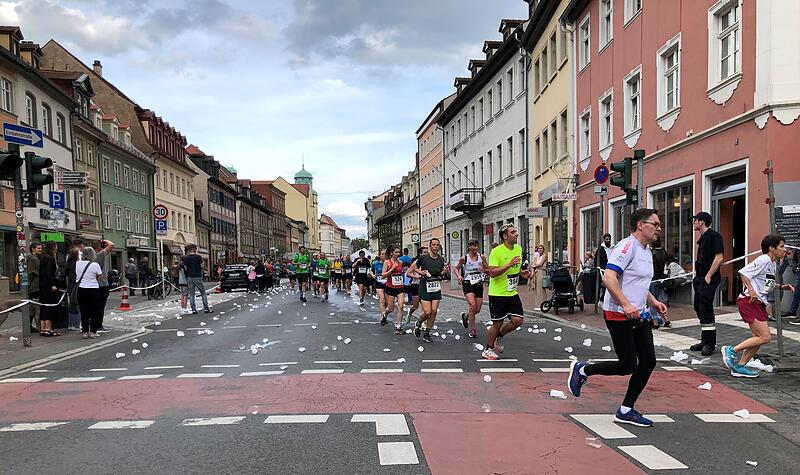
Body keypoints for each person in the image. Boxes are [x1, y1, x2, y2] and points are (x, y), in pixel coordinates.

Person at [567, 208, 668, 428]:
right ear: (641, 225)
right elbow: (609, 278)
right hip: (618, 313)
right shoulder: (626, 247)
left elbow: (638, 284)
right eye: (655, 224)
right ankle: (583, 370)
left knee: (649, 361)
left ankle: (626, 409)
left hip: (638, 313)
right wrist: (625, 303)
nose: (659, 229)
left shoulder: (646, 251)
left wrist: (654, 302)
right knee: (628, 364)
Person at [722, 235, 794, 378]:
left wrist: (782, 286)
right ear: (771, 249)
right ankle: (731, 350)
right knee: (765, 337)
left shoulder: (772, 263)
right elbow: (743, 272)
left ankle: (739, 367)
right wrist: (752, 291)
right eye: (781, 246)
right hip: (749, 301)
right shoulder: (764, 259)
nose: (784, 249)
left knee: (757, 337)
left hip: (758, 302)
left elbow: (766, 284)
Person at [481, 225, 530, 359]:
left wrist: (522, 273)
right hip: (497, 293)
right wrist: (508, 264)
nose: (517, 234)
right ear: (505, 236)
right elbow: (492, 273)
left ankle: (498, 336)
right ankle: (488, 349)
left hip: (512, 292)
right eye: (513, 232)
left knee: (518, 320)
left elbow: (516, 267)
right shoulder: (496, 252)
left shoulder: (518, 249)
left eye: (516, 232)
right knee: (497, 323)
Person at [690, 211, 725, 356]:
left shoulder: (714, 236)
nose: (693, 222)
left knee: (706, 308)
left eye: (695, 220)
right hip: (699, 278)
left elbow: (719, 257)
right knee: (698, 306)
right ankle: (705, 340)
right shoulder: (703, 238)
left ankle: (710, 343)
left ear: (701, 222)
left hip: (708, 278)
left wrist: (709, 276)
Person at [409, 238, 449, 343]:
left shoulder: (441, 259)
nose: (435, 247)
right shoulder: (423, 258)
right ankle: (419, 323)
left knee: (434, 311)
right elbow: (414, 268)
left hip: (435, 286)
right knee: (427, 311)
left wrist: (444, 271)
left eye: (437, 245)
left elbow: (440, 272)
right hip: (424, 285)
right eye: (433, 245)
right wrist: (421, 273)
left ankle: (427, 333)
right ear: (430, 246)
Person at [455, 239, 487, 339]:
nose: (476, 248)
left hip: (478, 283)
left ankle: (466, 316)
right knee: (472, 307)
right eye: (474, 246)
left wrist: (484, 270)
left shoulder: (481, 257)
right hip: (468, 283)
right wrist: (459, 276)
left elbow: (487, 267)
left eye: (477, 246)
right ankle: (473, 330)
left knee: (477, 309)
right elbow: (456, 268)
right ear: (469, 247)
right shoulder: (464, 258)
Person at [75, 247, 104, 339]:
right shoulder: (95, 265)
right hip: (93, 289)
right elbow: (100, 278)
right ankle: (93, 331)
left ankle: (85, 331)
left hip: (81, 289)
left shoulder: (77, 263)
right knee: (94, 311)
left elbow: (77, 275)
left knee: (84, 311)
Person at [38, 241, 61, 337]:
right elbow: (49, 274)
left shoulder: (42, 258)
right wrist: (53, 284)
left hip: (42, 286)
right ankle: (48, 329)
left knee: (43, 306)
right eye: (55, 246)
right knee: (50, 306)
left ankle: (43, 328)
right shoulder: (51, 259)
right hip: (49, 287)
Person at [382, 245, 406, 335]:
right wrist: (392, 268)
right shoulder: (387, 262)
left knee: (401, 306)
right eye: (396, 252)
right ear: (391, 253)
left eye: (399, 252)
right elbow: (383, 275)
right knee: (391, 308)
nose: (398, 254)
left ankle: (398, 326)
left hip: (400, 287)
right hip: (390, 287)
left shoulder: (400, 262)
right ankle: (385, 313)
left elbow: (401, 273)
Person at [91, 239, 114, 331]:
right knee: (100, 306)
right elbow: (111, 245)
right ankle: (98, 324)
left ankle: (92, 324)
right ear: (99, 247)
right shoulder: (99, 255)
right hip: (102, 284)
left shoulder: (88, 257)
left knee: (93, 306)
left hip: (92, 284)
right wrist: (104, 240)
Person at [649, 235, 671, 328]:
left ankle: (655, 322)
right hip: (662, 279)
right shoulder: (663, 251)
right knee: (660, 300)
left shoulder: (651, 252)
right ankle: (666, 319)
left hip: (653, 278)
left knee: (652, 301)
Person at [184, 244, 213, 314]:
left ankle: (193, 309)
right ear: (192, 249)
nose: (196, 250)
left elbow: (185, 268)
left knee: (191, 294)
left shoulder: (186, 258)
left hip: (190, 277)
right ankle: (206, 308)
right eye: (195, 248)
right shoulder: (198, 257)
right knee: (203, 293)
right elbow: (202, 266)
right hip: (197, 276)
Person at [26, 242, 42, 334]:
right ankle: (37, 328)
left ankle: (29, 326)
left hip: (31, 287)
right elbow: (34, 272)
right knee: (35, 308)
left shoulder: (29, 258)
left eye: (40, 248)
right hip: (34, 286)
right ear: (33, 249)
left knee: (31, 308)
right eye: (38, 248)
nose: (40, 250)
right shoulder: (34, 259)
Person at [65, 246, 81, 331]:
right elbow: (74, 276)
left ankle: (70, 324)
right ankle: (76, 324)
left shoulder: (68, 263)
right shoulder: (76, 264)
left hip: (70, 287)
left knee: (71, 305)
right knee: (77, 305)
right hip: (76, 286)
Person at [531, 244, 548, 310]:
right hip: (536, 272)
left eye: (541, 248)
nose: (540, 250)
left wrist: (535, 265)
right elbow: (533, 264)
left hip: (541, 271)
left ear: (543, 250)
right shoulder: (536, 256)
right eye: (539, 249)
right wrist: (532, 271)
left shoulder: (544, 256)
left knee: (541, 288)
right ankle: (538, 305)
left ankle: (543, 304)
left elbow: (540, 264)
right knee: (536, 288)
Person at [372, 250, 387, 316]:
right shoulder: (375, 263)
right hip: (379, 283)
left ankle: (385, 312)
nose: (384, 255)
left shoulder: (388, 263)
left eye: (385, 254)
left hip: (387, 283)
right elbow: (371, 271)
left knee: (386, 302)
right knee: (382, 299)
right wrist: (373, 275)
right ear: (379, 255)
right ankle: (383, 316)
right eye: (383, 254)